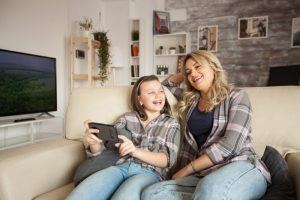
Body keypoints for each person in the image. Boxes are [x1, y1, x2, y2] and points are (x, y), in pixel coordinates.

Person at [142, 50, 271, 200]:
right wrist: (183, 72)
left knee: (209, 189)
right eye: (188, 72)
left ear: (213, 66)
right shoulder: (190, 101)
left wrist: (185, 170)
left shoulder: (237, 96)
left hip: (239, 166)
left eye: (198, 67)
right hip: (204, 174)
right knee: (151, 194)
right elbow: (165, 86)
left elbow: (230, 146)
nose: (192, 74)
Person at [66, 75, 180, 200]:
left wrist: (135, 151)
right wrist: (94, 143)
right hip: (118, 167)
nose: (158, 96)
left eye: (160, 91)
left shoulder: (171, 123)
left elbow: (167, 160)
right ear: (140, 99)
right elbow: (104, 151)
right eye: (151, 92)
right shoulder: (126, 118)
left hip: (149, 173)